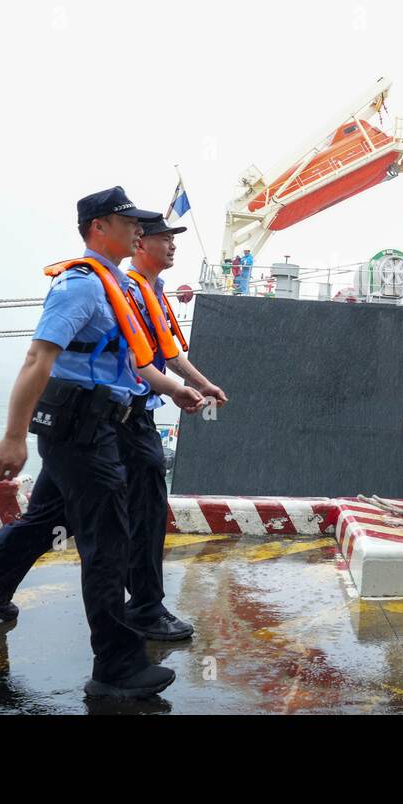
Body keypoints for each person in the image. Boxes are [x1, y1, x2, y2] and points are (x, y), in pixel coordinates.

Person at [0, 186, 195, 700]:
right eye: (127, 220)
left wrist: (181, 389)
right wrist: (12, 437)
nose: (139, 229)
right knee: (107, 546)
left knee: (31, 533)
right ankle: (115, 669)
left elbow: (134, 362)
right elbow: (37, 358)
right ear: (98, 227)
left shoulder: (117, 285)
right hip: (80, 433)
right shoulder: (81, 285)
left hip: (98, 428)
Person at [120, 215, 227, 639]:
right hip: (122, 416)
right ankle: (145, 608)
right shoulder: (129, 291)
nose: (174, 246)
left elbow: (169, 350)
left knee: (58, 516)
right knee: (145, 512)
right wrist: (181, 390)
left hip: (128, 416)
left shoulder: (155, 292)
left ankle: (0, 574)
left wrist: (201, 382)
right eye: (165, 239)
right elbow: (137, 361)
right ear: (140, 243)